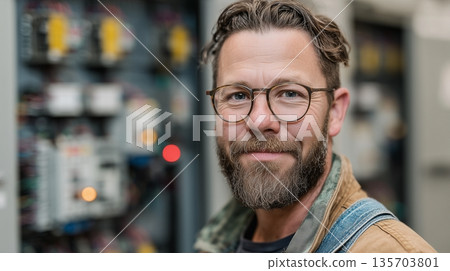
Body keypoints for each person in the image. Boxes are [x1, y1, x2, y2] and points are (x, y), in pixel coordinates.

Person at [194, 0, 436, 253]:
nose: (259, 121)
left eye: (289, 94)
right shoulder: (218, 243)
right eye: (238, 96)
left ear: (335, 112)